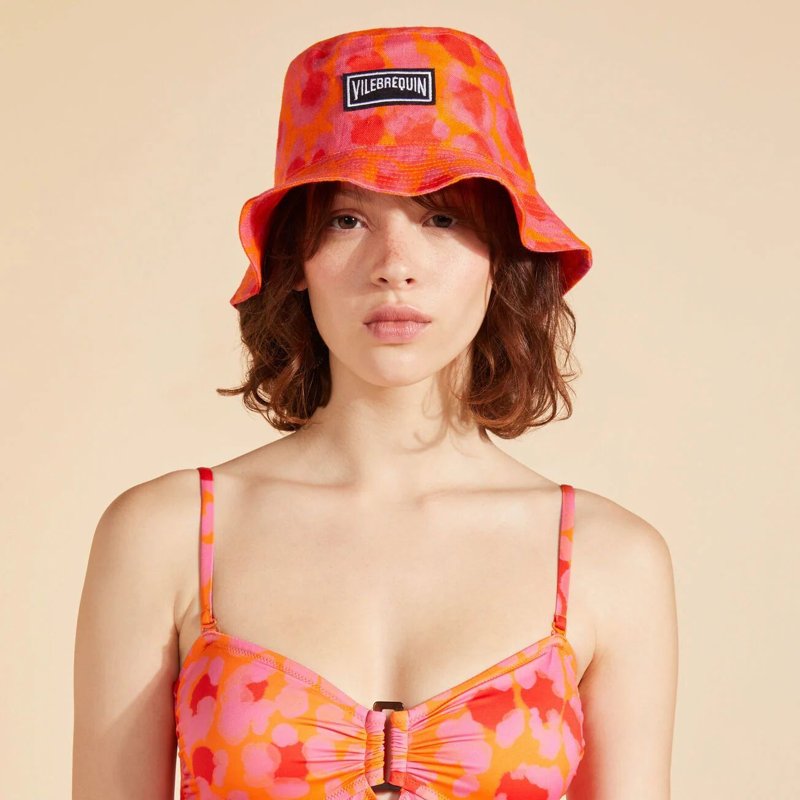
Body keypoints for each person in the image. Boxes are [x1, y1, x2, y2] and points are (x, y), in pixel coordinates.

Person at [73, 25, 678, 800]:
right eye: (347, 219)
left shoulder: (610, 559)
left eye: (443, 218)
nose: (394, 267)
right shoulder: (166, 536)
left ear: (503, 256)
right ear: (295, 258)